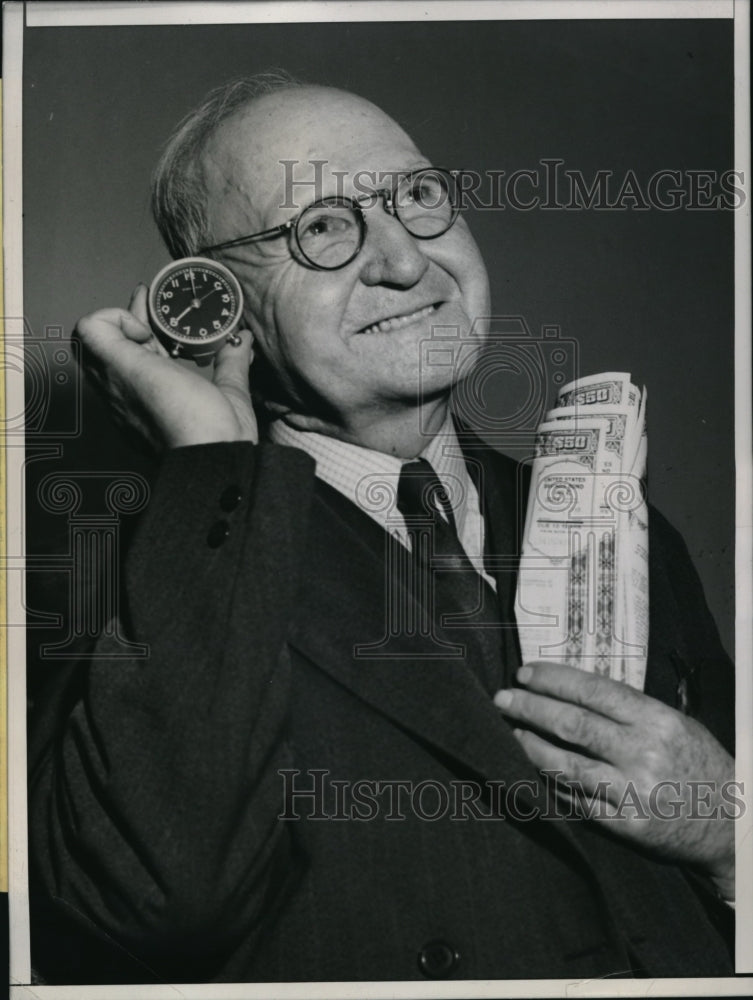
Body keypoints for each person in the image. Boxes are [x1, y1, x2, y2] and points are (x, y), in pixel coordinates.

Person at [28, 73, 737, 984]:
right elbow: (157, 904)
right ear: (213, 298)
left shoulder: (629, 522)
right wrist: (210, 466)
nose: (406, 261)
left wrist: (731, 833)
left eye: (418, 197)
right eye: (321, 226)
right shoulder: (139, 560)